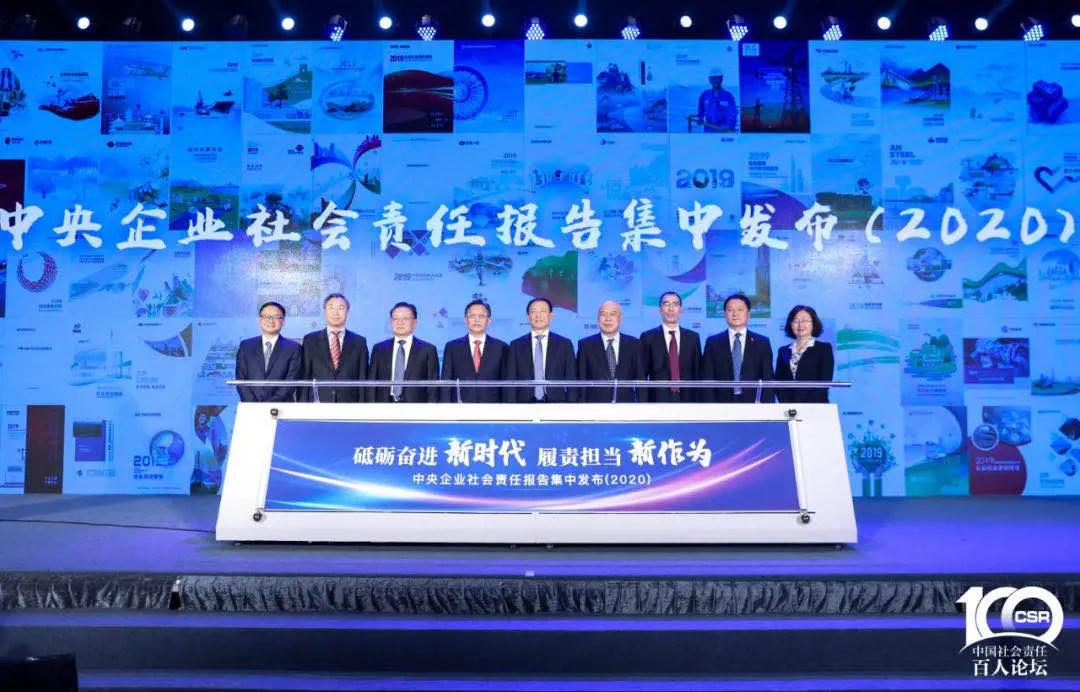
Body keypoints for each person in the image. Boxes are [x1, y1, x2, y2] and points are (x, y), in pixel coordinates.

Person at [702, 293, 773, 403]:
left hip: (753, 404)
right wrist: (709, 407)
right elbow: (707, 379)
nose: (735, 314)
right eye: (730, 310)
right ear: (725, 314)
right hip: (721, 404)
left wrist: (766, 407)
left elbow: (767, 379)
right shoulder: (713, 342)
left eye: (740, 310)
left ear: (748, 314)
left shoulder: (762, 343)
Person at [299, 293, 369, 403]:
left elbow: (362, 378)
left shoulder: (359, 342)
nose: (336, 312)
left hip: (349, 404)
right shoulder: (310, 340)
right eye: (331, 307)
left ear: (347, 312)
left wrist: (362, 406)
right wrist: (302, 405)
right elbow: (304, 375)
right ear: (324, 311)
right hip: (317, 403)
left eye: (341, 308)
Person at [505, 297, 576, 403]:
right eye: (533, 312)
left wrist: (573, 407)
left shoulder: (565, 344)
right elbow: (510, 381)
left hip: (557, 404)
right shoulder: (515, 345)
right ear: (528, 317)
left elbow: (572, 380)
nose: (538, 315)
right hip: (524, 405)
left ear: (551, 316)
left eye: (543, 311)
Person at [369, 301, 439, 403]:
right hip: (384, 405)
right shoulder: (379, 349)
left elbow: (433, 387)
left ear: (415, 323)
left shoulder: (428, 350)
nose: (400, 323)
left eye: (405, 319)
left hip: (416, 407)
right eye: (395, 319)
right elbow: (371, 383)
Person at [441, 299, 508, 403]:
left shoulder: (501, 347)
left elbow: (506, 384)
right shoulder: (452, 347)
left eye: (481, 316)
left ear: (489, 320)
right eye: (472, 316)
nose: (477, 320)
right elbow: (446, 383)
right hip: (460, 407)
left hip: (493, 408)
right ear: (465, 320)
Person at [577, 300, 645, 402]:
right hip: (594, 407)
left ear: (620, 318)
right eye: (603, 314)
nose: (607, 319)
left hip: (626, 407)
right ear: (598, 318)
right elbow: (581, 382)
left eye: (612, 314)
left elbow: (641, 382)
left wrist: (643, 407)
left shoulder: (634, 344)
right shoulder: (585, 345)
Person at [640, 291, 701, 402]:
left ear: (681, 309)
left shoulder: (693, 338)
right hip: (657, 400)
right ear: (660, 309)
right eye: (666, 304)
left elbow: (697, 372)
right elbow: (642, 374)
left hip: (688, 399)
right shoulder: (648, 337)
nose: (671, 308)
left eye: (675, 304)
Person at [234, 301, 302, 402]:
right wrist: (253, 404)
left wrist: (268, 405)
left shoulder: (293, 348)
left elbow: (290, 382)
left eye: (276, 317)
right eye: (266, 316)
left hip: (281, 406)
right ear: (260, 320)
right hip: (250, 406)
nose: (271, 320)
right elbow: (240, 378)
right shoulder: (246, 346)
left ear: (283, 321)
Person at [775, 305, 834, 404]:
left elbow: (824, 382)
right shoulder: (783, 351)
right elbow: (779, 382)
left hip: (816, 407)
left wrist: (805, 407)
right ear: (790, 324)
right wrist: (788, 404)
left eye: (805, 321)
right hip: (789, 408)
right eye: (796, 321)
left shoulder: (824, 349)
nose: (800, 325)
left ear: (813, 324)